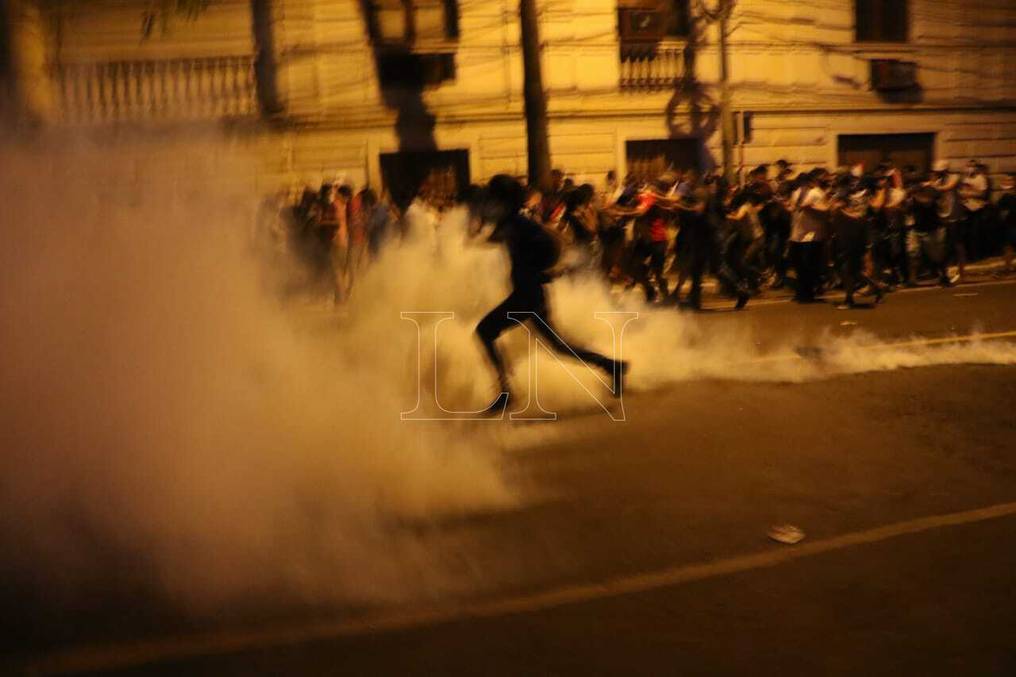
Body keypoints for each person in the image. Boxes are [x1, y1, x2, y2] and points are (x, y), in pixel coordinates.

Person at [475, 175, 628, 414]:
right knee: (558, 346)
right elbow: (496, 237)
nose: (490, 203)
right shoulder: (510, 223)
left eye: (494, 198)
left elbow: (550, 245)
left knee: (484, 330)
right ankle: (612, 366)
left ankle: (506, 392)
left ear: (504, 200)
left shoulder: (519, 223)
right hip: (528, 294)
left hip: (527, 295)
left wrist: (541, 271)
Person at [788, 169, 829, 302]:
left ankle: (808, 293)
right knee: (800, 266)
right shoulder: (798, 193)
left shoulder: (816, 193)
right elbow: (793, 208)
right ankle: (802, 292)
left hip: (812, 234)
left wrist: (812, 207)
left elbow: (825, 210)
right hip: (798, 235)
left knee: (809, 266)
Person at [998, 173, 1016, 275]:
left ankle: (1008, 267)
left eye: (1010, 180)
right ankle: (1008, 267)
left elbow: (1003, 213)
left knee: (1008, 247)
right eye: (1005, 180)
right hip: (1009, 225)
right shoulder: (1006, 196)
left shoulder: (1007, 197)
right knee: (1008, 247)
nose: (1007, 182)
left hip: (1011, 225)